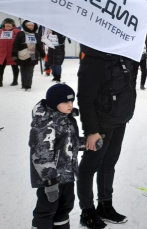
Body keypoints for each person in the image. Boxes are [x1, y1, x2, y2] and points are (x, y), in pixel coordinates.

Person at [76, 3, 147, 228]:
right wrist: (91, 131)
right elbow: (85, 99)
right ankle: (87, 210)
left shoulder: (124, 54)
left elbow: (136, 32)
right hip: (101, 123)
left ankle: (105, 204)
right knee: (90, 166)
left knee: (109, 163)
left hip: (120, 118)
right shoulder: (93, 59)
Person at [30, 84, 103, 229]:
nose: (70, 105)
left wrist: (87, 143)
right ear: (54, 102)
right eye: (65, 102)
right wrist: (50, 181)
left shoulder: (67, 119)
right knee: (46, 210)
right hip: (50, 179)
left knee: (64, 208)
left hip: (67, 175)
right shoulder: (45, 124)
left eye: (72, 101)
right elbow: (41, 155)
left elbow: (70, 143)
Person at [12, 20, 45, 91]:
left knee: (30, 70)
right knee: (23, 70)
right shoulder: (20, 33)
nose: (30, 27)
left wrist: (42, 53)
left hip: (33, 54)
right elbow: (15, 44)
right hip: (22, 54)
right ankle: (23, 84)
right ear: (25, 26)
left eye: (32, 25)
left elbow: (39, 45)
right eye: (29, 25)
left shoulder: (36, 35)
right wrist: (14, 54)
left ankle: (28, 85)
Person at [0, 18, 20, 87]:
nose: (8, 25)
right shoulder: (0, 32)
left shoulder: (17, 32)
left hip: (13, 53)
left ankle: (15, 81)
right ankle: (0, 82)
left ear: (12, 25)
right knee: (0, 67)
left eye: (10, 23)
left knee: (14, 66)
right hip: (2, 53)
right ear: (3, 24)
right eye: (6, 23)